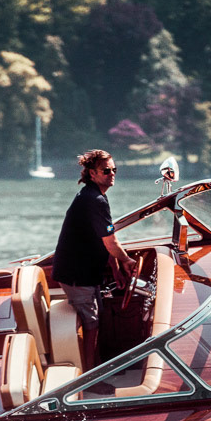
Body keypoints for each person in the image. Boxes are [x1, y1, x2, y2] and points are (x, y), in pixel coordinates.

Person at [53, 149, 137, 370]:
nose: (112, 174)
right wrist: (127, 261)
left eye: (114, 170)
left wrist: (116, 269)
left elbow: (103, 238)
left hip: (85, 273)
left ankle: (98, 367)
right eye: (106, 171)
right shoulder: (95, 200)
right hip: (77, 275)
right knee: (91, 326)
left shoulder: (94, 196)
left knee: (99, 320)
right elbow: (111, 242)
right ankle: (90, 378)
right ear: (92, 173)